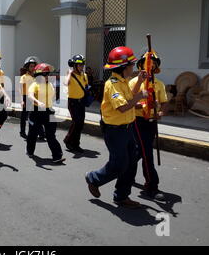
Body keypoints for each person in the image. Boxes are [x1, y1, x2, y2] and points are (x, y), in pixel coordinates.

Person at [84, 46, 148, 209]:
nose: (133, 68)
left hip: (128, 127)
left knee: (132, 162)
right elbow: (122, 107)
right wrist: (139, 97)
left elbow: (130, 98)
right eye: (131, 65)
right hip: (114, 130)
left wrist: (139, 82)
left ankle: (121, 196)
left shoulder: (123, 81)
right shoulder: (112, 84)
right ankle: (94, 178)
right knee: (119, 164)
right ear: (122, 67)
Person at [129, 50, 168, 201]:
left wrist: (161, 113)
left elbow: (164, 103)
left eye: (152, 65)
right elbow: (129, 101)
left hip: (152, 122)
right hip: (138, 122)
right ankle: (152, 186)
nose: (149, 68)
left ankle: (126, 172)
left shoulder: (159, 84)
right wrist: (142, 105)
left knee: (140, 151)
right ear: (141, 66)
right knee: (147, 153)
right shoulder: (134, 82)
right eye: (147, 65)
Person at [26, 63, 65, 163]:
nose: (48, 76)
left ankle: (57, 156)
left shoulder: (50, 84)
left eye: (48, 74)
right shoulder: (34, 85)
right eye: (45, 74)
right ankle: (30, 151)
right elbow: (30, 95)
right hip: (36, 112)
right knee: (32, 134)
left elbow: (52, 96)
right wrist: (38, 102)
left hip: (48, 112)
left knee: (51, 135)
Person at [63, 55, 89, 153]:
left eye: (82, 64)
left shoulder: (84, 75)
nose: (82, 66)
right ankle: (68, 140)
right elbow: (66, 83)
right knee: (76, 122)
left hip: (81, 102)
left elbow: (86, 86)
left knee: (80, 124)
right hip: (73, 102)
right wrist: (69, 73)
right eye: (79, 64)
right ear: (74, 65)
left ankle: (75, 143)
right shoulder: (70, 74)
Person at [19, 56, 46, 140]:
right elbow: (19, 89)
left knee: (36, 115)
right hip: (26, 97)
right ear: (27, 67)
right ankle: (22, 132)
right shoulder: (23, 77)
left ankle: (41, 133)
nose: (32, 67)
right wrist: (21, 100)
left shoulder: (36, 77)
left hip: (34, 97)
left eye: (34, 66)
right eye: (31, 66)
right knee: (24, 116)